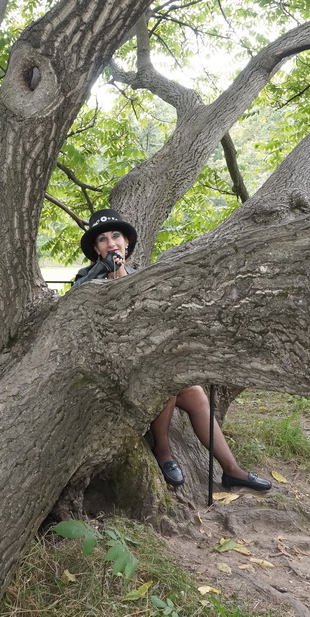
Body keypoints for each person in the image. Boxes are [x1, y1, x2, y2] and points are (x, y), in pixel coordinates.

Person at [72, 209, 272, 492]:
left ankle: (232, 470)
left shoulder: (144, 277)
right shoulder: (87, 279)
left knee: (195, 393)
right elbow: (74, 311)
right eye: (102, 239)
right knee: (165, 380)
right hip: (116, 370)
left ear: (127, 242)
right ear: (96, 249)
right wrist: (102, 271)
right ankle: (163, 452)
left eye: (116, 236)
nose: (111, 243)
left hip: (151, 359)